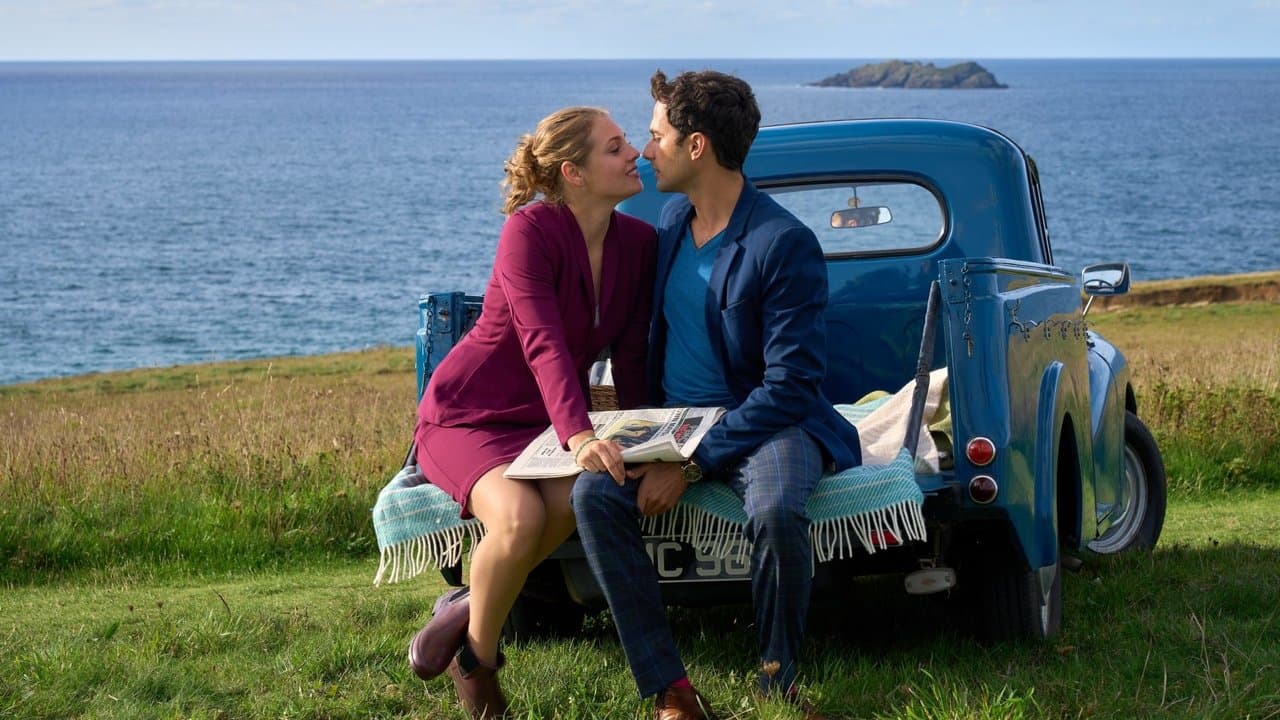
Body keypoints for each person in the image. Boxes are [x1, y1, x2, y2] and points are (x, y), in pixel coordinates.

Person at [571, 71, 861, 720]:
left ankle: (777, 679)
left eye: (657, 136)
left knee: (777, 510)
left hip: (765, 422)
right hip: (672, 421)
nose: (647, 151)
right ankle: (671, 689)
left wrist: (690, 464)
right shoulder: (673, 221)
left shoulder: (783, 243)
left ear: (696, 146)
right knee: (593, 495)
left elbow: (791, 385)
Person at [407, 106, 656, 720]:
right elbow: (542, 341)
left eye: (628, 143)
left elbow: (630, 356)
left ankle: (465, 606)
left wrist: (645, 440)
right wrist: (579, 436)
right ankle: (477, 665)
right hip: (468, 415)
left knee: (577, 500)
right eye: (615, 147)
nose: (635, 154)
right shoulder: (528, 231)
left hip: (541, 423)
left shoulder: (640, 243)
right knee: (519, 519)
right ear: (573, 172)